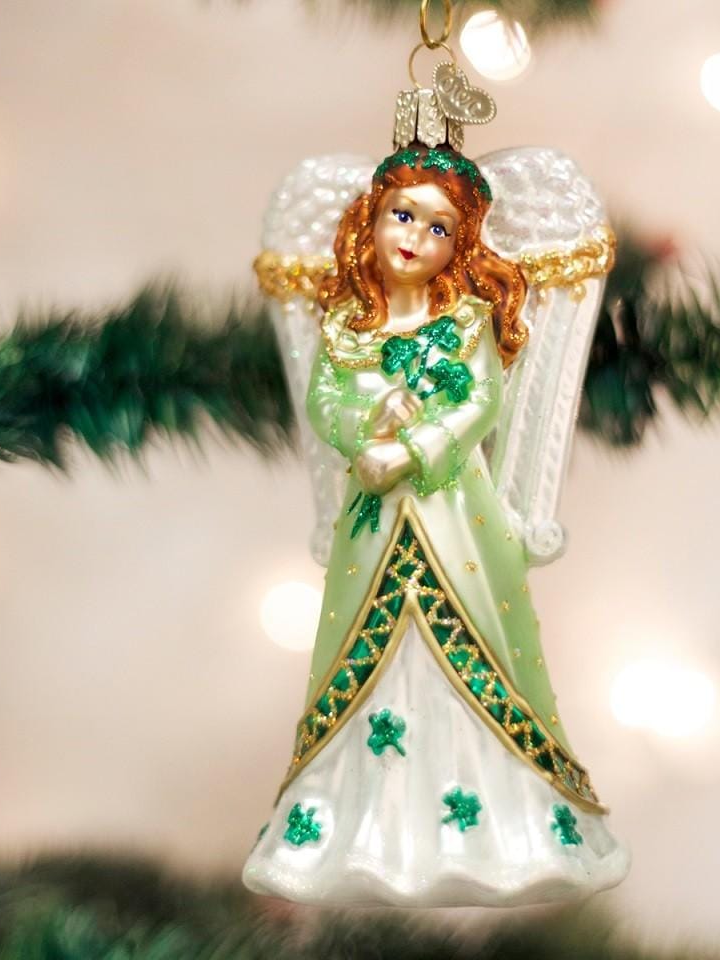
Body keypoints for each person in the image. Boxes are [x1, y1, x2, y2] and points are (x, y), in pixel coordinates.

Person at [242, 143, 630, 907]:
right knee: (368, 648)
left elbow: (479, 401)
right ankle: (361, 826)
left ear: (462, 244)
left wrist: (412, 449)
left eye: (439, 227)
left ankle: (496, 829)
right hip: (372, 521)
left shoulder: (467, 320)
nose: (414, 236)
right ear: (371, 218)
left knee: (471, 637)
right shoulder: (347, 324)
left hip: (452, 511)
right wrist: (364, 434)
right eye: (402, 214)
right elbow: (326, 402)